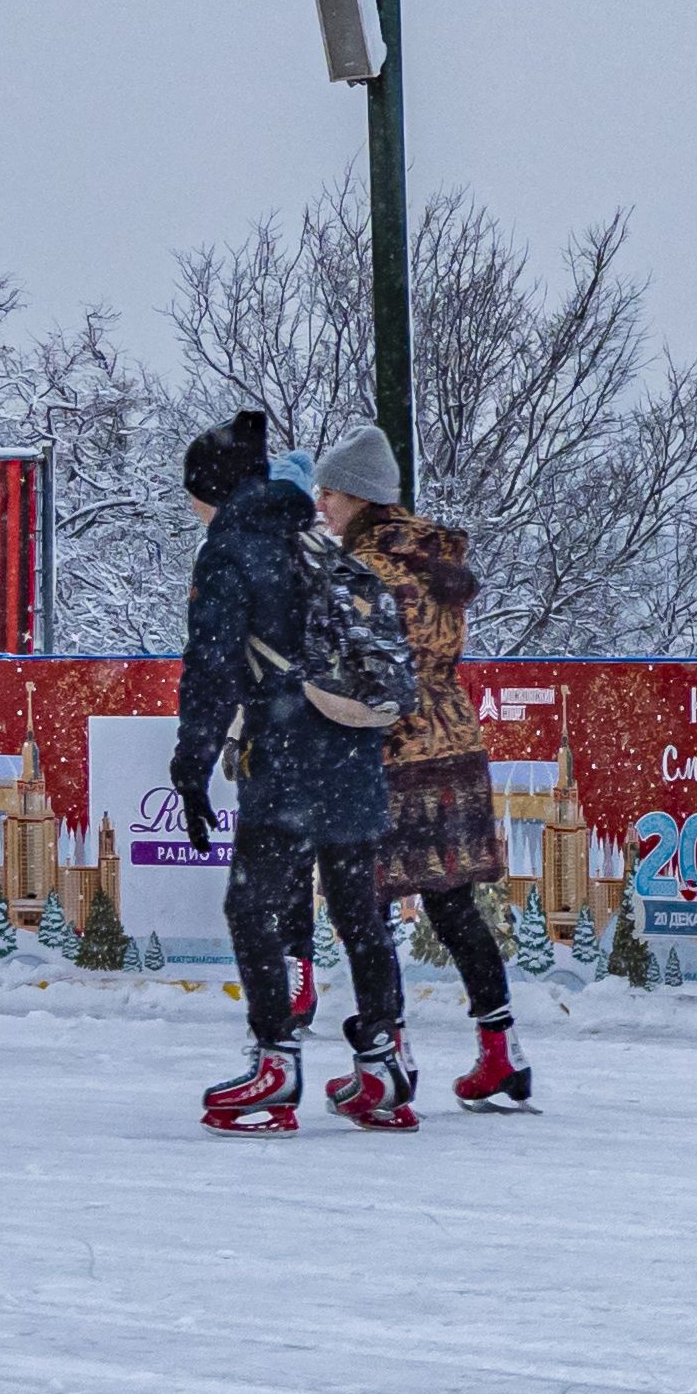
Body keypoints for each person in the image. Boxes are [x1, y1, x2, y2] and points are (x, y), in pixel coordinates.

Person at [172, 412, 416, 1133]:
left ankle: (276, 1063)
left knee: (252, 908)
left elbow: (211, 669)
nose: (190, 509)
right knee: (357, 911)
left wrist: (191, 764)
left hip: (287, 759)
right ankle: (382, 1062)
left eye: (192, 494)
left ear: (212, 490)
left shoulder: (230, 550)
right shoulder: (310, 534)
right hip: (352, 749)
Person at [327, 430, 534, 1113]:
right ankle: (501, 1051)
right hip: (452, 742)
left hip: (389, 751)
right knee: (451, 903)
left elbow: (373, 669)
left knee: (371, 908)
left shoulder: (372, 569)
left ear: (359, 495)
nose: (321, 504)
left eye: (329, 492)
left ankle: (391, 1057)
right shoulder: (429, 558)